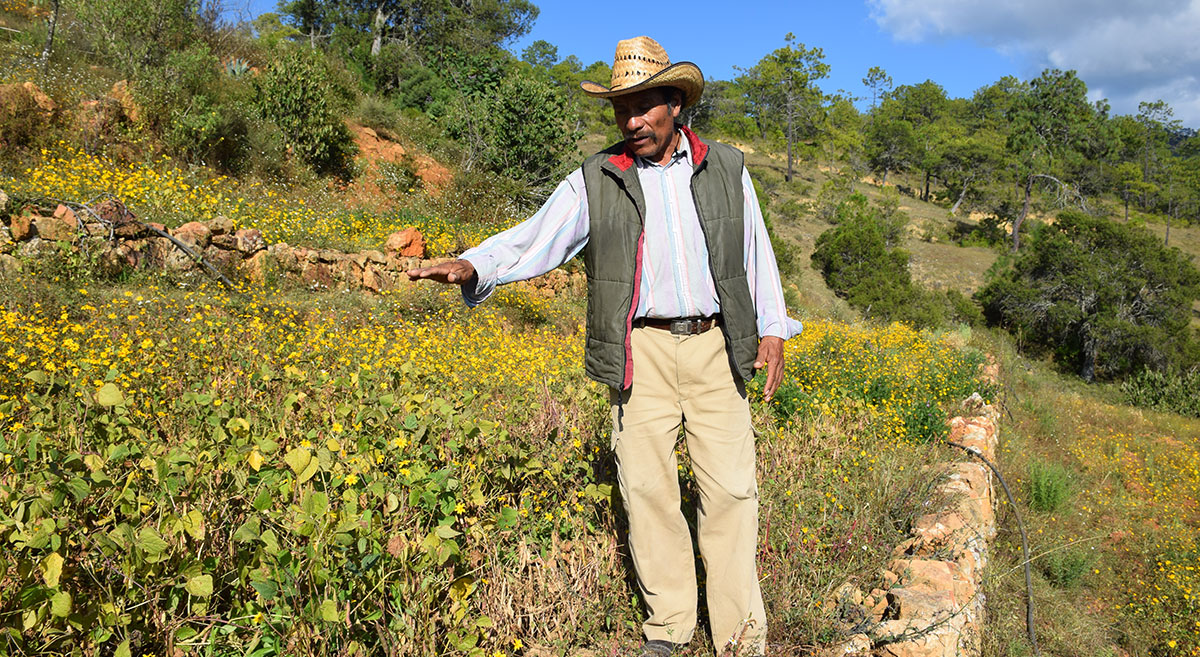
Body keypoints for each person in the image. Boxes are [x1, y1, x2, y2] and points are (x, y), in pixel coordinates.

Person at [408, 36, 802, 657]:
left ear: (676, 104)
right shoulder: (597, 179)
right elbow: (534, 239)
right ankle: (670, 627)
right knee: (647, 492)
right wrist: (473, 264)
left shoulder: (728, 168)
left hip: (713, 346)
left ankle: (741, 638)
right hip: (638, 351)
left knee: (730, 491)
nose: (632, 121)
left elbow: (756, 253)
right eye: (622, 109)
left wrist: (773, 328)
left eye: (644, 106)